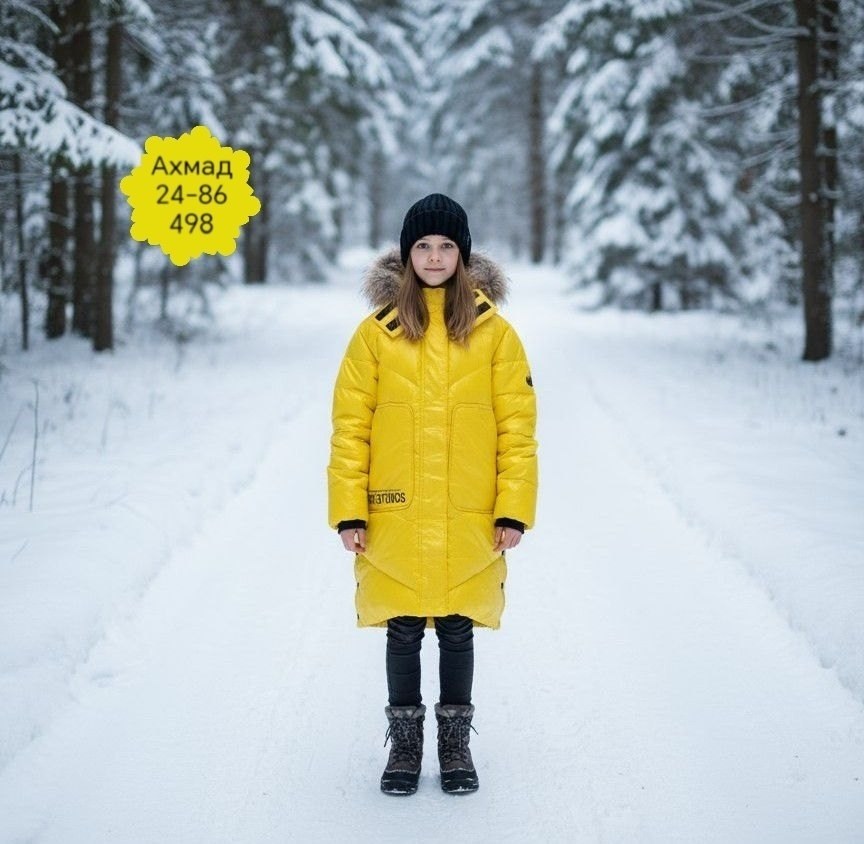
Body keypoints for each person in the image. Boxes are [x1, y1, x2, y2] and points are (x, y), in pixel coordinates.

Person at [327, 193, 538, 796]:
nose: (436, 256)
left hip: (469, 513)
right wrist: (348, 510)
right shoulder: (376, 336)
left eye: (447, 245)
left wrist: (513, 509)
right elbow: (351, 430)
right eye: (423, 245)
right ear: (406, 253)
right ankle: (406, 744)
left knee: (455, 626)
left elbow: (517, 431)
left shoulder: (496, 334)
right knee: (400, 627)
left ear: (464, 254)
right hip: (395, 509)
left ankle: (453, 743)